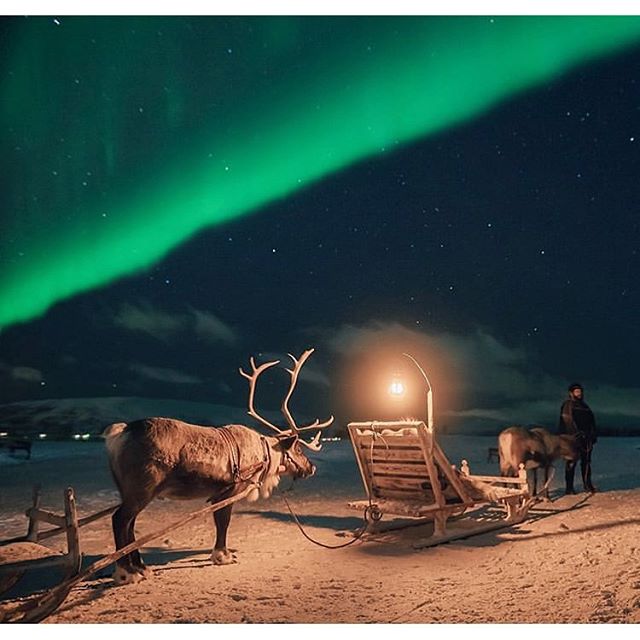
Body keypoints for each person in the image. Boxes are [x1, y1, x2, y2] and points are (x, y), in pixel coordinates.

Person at [558, 383, 597, 494]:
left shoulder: (585, 406)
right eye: (576, 392)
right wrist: (568, 436)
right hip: (572, 438)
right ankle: (569, 488)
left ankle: (587, 485)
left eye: (580, 392)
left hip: (586, 438)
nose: (579, 394)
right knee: (571, 463)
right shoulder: (568, 405)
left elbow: (592, 422)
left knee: (586, 463)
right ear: (571, 393)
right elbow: (565, 422)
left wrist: (593, 435)